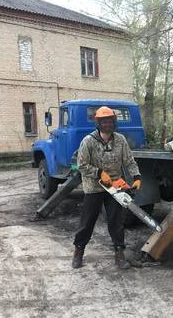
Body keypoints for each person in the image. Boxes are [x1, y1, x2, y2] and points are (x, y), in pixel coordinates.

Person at [71, 106, 142, 270]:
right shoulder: (88, 141)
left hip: (115, 188)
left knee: (116, 222)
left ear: (113, 122)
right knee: (87, 223)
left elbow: (129, 161)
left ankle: (119, 254)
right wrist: (98, 173)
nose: (107, 124)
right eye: (104, 121)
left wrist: (137, 177)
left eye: (110, 121)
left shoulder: (120, 140)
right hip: (93, 188)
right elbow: (81, 165)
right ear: (98, 123)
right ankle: (78, 251)